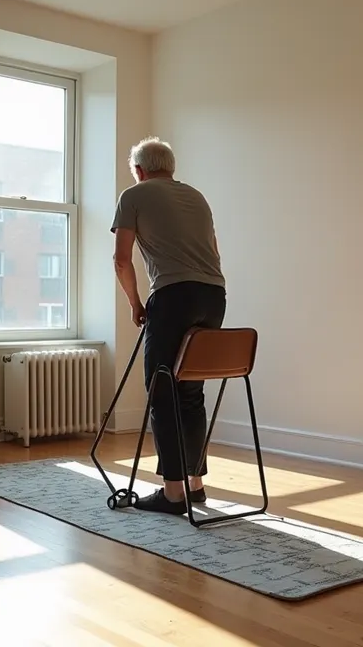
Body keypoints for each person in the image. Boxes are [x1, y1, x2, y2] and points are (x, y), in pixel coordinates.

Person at [111, 136, 226, 515]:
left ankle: (172, 493)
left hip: (173, 296)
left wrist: (135, 304)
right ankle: (195, 485)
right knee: (190, 393)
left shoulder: (134, 195)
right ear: (170, 168)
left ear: (140, 170)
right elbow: (214, 251)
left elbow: (121, 260)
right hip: (213, 296)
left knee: (162, 391)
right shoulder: (197, 197)